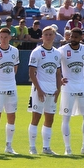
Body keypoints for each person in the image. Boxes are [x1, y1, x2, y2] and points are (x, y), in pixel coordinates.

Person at [59, 28, 84, 156]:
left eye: (76, 37)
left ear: (81, 38)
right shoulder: (62, 50)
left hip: (81, 86)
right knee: (66, 118)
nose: (73, 39)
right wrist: (59, 78)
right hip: (68, 87)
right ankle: (67, 148)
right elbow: (55, 64)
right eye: (71, 37)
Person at [27, 26, 63, 155]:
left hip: (52, 90)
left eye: (50, 34)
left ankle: (46, 147)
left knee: (50, 118)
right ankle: (32, 147)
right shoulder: (36, 52)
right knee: (36, 117)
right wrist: (39, 89)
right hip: (39, 90)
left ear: (54, 36)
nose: (48, 37)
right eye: (46, 34)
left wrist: (58, 90)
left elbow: (58, 73)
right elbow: (31, 73)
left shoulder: (57, 53)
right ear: (42, 36)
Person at [0, 28, 21, 155]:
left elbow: (15, 68)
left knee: (12, 116)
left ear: (10, 38)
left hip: (11, 87)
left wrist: (9, 79)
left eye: (5, 37)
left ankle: (9, 146)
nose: (3, 39)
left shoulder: (15, 51)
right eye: (1, 37)